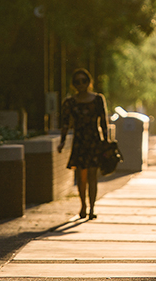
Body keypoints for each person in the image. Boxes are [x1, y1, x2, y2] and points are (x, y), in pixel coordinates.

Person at [58, 68, 109, 220]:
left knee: (93, 175)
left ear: (89, 82)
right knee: (81, 176)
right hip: (79, 141)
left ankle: (92, 207)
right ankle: (83, 205)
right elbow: (65, 124)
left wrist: (106, 141)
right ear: (74, 84)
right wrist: (61, 142)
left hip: (94, 140)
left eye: (84, 81)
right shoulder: (70, 103)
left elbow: (103, 122)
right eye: (77, 82)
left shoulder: (98, 99)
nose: (81, 84)